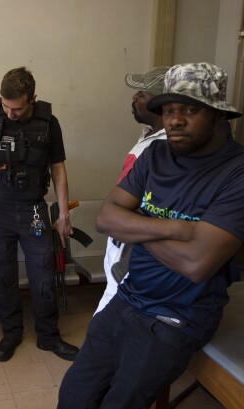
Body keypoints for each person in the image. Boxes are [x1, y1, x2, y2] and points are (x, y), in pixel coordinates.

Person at [58, 62, 244, 408]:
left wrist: (137, 223)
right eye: (169, 110)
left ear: (219, 115)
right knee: (74, 396)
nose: (174, 120)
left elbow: (197, 262)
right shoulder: (155, 155)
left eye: (190, 110)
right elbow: (106, 218)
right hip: (128, 296)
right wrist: (179, 228)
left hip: (176, 316)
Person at [0, 66, 79, 362]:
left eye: (17, 108)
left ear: (33, 99)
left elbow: (58, 168)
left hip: (34, 210)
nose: (10, 113)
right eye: (6, 106)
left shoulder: (50, 122)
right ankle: (11, 333)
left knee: (43, 273)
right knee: (3, 274)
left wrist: (63, 215)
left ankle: (48, 336)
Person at [95, 66, 169, 314]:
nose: (134, 98)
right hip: (122, 241)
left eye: (142, 94)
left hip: (135, 250)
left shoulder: (164, 149)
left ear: (161, 104)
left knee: (111, 318)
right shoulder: (150, 136)